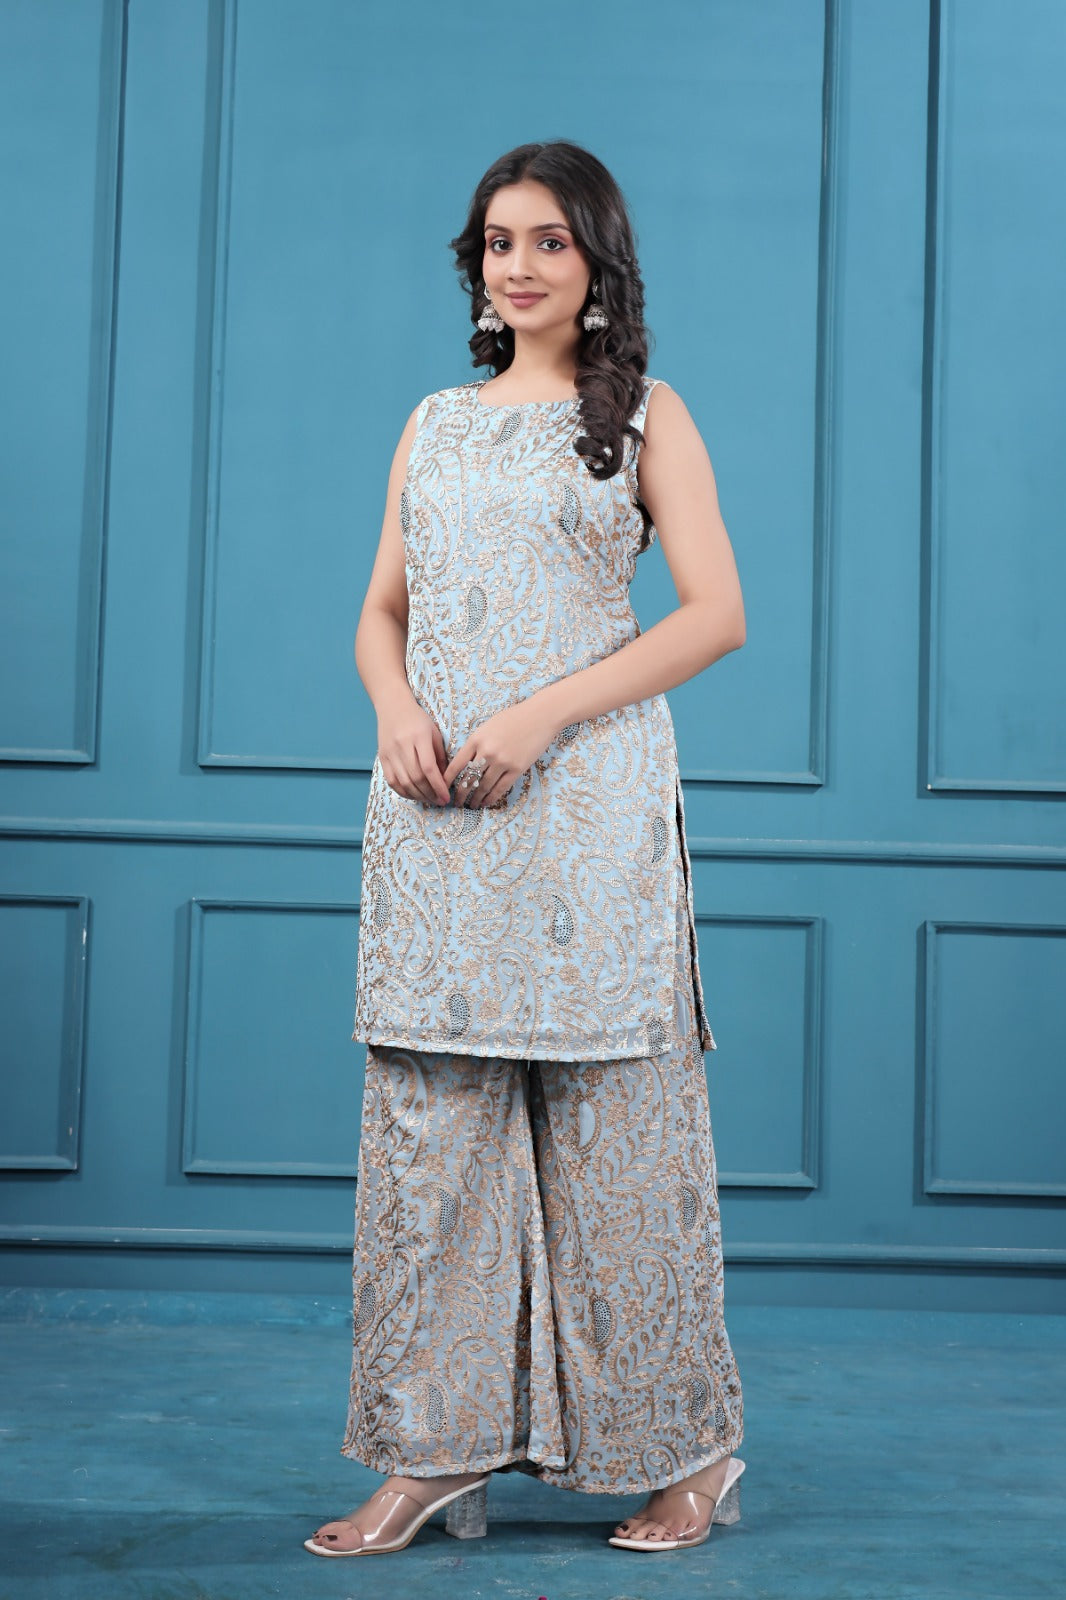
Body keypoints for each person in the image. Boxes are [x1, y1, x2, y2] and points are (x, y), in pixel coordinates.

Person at [305, 139, 748, 1560]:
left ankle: (691, 1452)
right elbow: (381, 610)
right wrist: (395, 710)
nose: (519, 265)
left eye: (549, 240)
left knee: (624, 1148)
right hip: (438, 816)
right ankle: (429, 1451)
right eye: (499, 242)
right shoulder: (433, 423)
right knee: (429, 1150)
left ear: (597, 260)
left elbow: (715, 614)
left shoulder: (648, 419)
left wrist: (541, 714)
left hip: (588, 818)